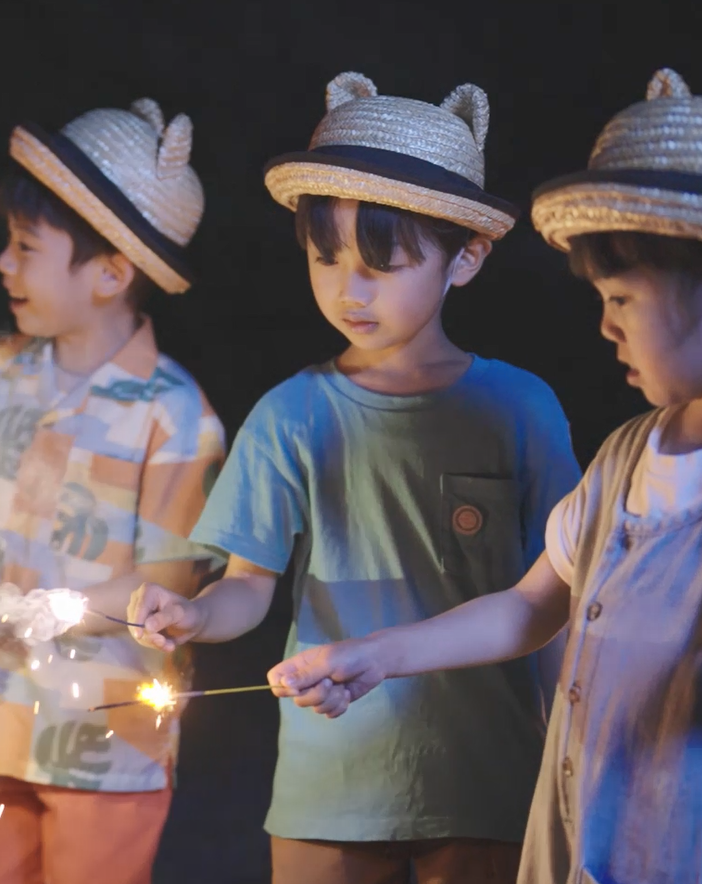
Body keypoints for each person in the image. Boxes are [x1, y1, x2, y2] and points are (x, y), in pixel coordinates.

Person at [127, 72, 581, 883]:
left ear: (465, 257)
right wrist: (192, 613)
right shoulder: (289, 413)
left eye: (384, 261)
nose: (348, 287)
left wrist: (568, 754)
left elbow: (553, 600)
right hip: (327, 779)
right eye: (324, 256)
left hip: (488, 775)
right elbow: (247, 587)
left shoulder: (519, 408)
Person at [270, 68, 702, 884]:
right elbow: (530, 607)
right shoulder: (624, 459)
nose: (604, 324)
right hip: (579, 851)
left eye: (623, 298)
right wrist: (376, 655)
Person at [0, 101, 224, 884]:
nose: (3, 264)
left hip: (104, 744)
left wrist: (9, 615)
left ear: (110, 272)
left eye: (24, 247)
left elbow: (172, 580)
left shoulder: (175, 414)